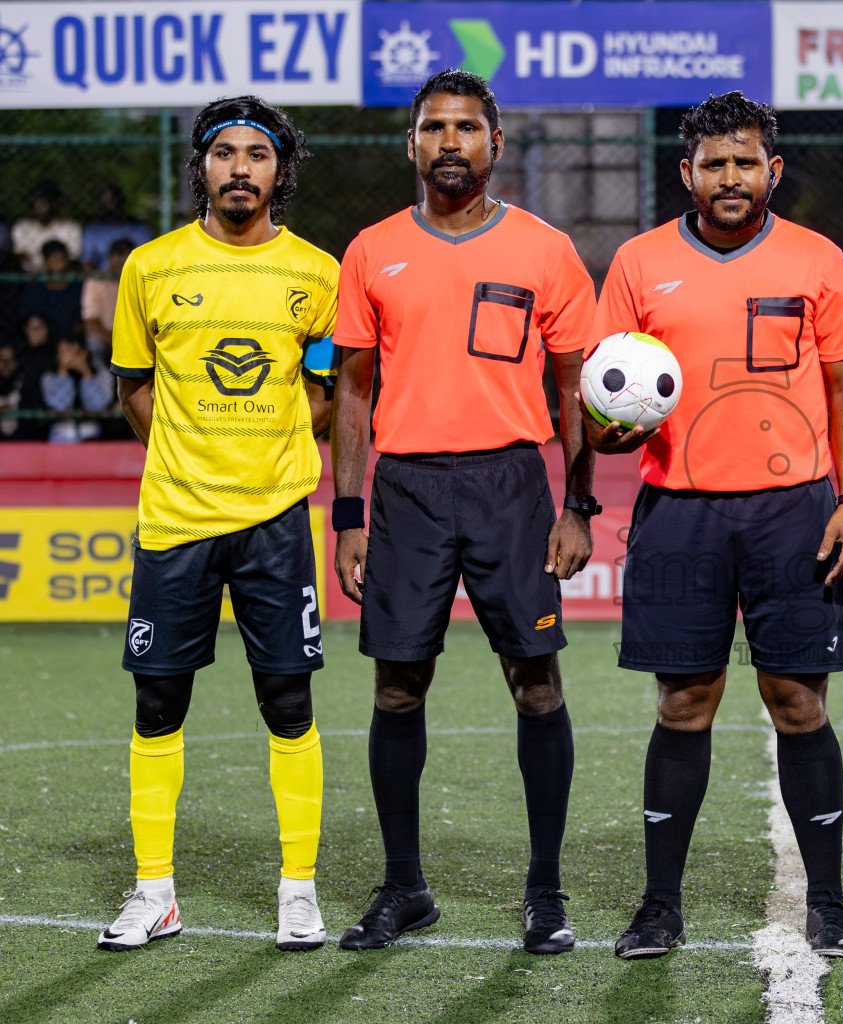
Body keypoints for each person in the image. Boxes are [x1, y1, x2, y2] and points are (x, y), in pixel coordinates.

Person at [589, 92, 843, 960]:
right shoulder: (638, 264)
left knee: (798, 702)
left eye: (746, 162)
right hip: (680, 512)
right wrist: (612, 426)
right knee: (683, 703)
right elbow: (603, 398)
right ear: (688, 174)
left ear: (773, 170)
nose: (731, 177)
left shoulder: (817, 260)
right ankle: (659, 906)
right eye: (714, 164)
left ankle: (827, 902)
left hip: (796, 514)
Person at [331, 70, 597, 955]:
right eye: (435, 128)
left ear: (496, 144)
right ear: (412, 145)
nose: (452, 142)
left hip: (511, 488)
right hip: (405, 491)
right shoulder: (370, 251)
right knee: (397, 682)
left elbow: (575, 389)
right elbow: (354, 393)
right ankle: (404, 887)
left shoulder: (546, 250)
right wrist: (349, 513)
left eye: (468, 128)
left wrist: (578, 505)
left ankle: (545, 891)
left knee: (536, 681)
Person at [97, 96, 338, 953]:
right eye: (225, 153)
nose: (242, 168)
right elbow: (131, 386)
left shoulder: (318, 273)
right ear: (200, 165)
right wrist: (190, 450)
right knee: (158, 701)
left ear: (281, 169)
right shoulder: (150, 268)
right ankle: (155, 890)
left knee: (288, 700)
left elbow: (325, 390)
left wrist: (267, 443)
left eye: (258, 155)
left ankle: (298, 890)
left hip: (276, 519)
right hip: (175, 519)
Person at [40, 335, 113, 442]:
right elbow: (60, 407)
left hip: (93, 438)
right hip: (60, 438)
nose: (71, 357)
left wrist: (86, 374)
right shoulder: (48, 378)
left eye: (75, 352)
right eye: (64, 353)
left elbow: (97, 408)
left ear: (84, 352)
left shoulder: (102, 375)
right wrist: (63, 373)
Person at [19, 239, 84, 341]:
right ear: (46, 261)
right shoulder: (35, 287)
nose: (57, 259)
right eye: (52, 255)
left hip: (72, 339)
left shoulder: (79, 286)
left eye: (60, 255)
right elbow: (28, 316)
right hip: (43, 339)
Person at [11, 180, 82, 273]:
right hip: (30, 278)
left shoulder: (70, 228)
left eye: (46, 201)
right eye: (37, 201)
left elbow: (72, 260)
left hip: (61, 278)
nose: (41, 206)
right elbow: (21, 257)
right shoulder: (22, 227)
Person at [83, 238, 135, 362]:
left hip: (133, 337)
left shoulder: (138, 280)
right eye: (119, 257)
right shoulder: (96, 281)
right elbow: (90, 321)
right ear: (111, 258)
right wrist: (115, 342)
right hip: (106, 337)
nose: (122, 263)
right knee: (94, 342)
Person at [81, 184, 153, 271]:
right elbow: (87, 263)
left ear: (122, 202)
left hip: (135, 275)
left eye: (114, 201)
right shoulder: (93, 229)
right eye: (106, 202)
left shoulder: (139, 228)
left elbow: (147, 260)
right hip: (103, 279)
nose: (111, 207)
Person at [0, 343, 23, 439]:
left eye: (9, 361)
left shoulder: (25, 385)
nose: (5, 365)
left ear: (16, 362)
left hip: (21, 440)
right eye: (2, 360)